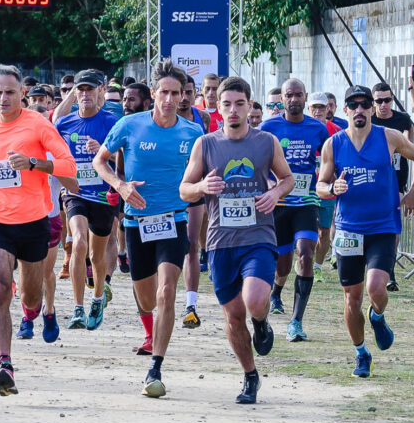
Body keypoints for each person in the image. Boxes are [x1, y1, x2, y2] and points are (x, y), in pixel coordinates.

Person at [0, 66, 78, 395]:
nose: (3, 98)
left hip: (34, 222)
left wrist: (34, 163)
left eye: (10, 92)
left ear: (22, 94)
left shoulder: (38, 124)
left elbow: (69, 167)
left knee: (30, 296)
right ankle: (5, 364)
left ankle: (32, 310)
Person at [181, 78, 292, 405]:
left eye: (239, 104)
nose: (233, 110)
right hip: (220, 241)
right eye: (226, 104)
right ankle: (250, 375)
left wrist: (275, 192)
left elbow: (287, 179)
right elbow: (184, 189)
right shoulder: (205, 144)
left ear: (249, 106)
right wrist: (201, 188)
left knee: (255, 299)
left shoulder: (267, 142)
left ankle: (261, 321)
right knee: (232, 316)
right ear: (218, 107)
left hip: (258, 236)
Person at [97, 66, 204, 394]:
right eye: (164, 92)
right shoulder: (129, 125)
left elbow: (201, 173)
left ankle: (155, 368)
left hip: (174, 219)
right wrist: (120, 185)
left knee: (167, 291)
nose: (170, 99)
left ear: (184, 96)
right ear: (154, 94)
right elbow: (100, 161)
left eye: (176, 93)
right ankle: (150, 324)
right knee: (147, 300)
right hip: (136, 224)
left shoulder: (193, 133)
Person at [317, 86, 414, 378]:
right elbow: (320, 186)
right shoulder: (333, 144)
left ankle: (377, 316)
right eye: (353, 105)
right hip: (349, 228)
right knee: (351, 298)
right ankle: (361, 353)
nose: (359, 109)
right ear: (344, 110)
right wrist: (332, 188)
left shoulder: (388, 136)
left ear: (371, 109)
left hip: (383, 225)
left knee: (376, 288)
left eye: (364, 104)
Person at [262, 79, 332, 340]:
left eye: (298, 95)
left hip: (307, 202)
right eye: (289, 95)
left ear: (305, 97)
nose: (294, 99)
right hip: (278, 204)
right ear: (282, 99)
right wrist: (268, 183)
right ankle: (276, 292)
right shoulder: (269, 127)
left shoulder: (318, 129)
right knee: (282, 265)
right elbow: (258, 162)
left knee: (305, 253)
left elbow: (329, 159)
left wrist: (328, 180)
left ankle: (296, 321)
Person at [54, 70, 119, 332]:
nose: (85, 94)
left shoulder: (111, 121)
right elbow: (54, 128)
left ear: (100, 90)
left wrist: (103, 152)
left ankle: (98, 298)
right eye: (80, 89)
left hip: (102, 194)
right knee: (79, 241)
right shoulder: (65, 123)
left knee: (96, 254)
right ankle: (78, 308)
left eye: (90, 89)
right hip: (75, 192)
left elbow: (123, 157)